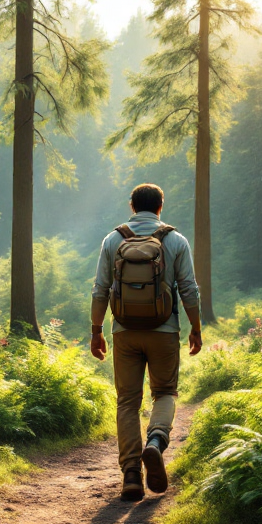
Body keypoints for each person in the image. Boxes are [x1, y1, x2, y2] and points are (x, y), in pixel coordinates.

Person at [90, 183, 202, 501]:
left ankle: (130, 476)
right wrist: (196, 327)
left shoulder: (113, 239)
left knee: (127, 401)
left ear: (132, 206)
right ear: (160, 207)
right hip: (164, 331)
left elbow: (100, 289)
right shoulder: (175, 240)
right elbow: (189, 289)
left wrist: (96, 330)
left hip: (124, 332)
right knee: (164, 392)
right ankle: (155, 442)